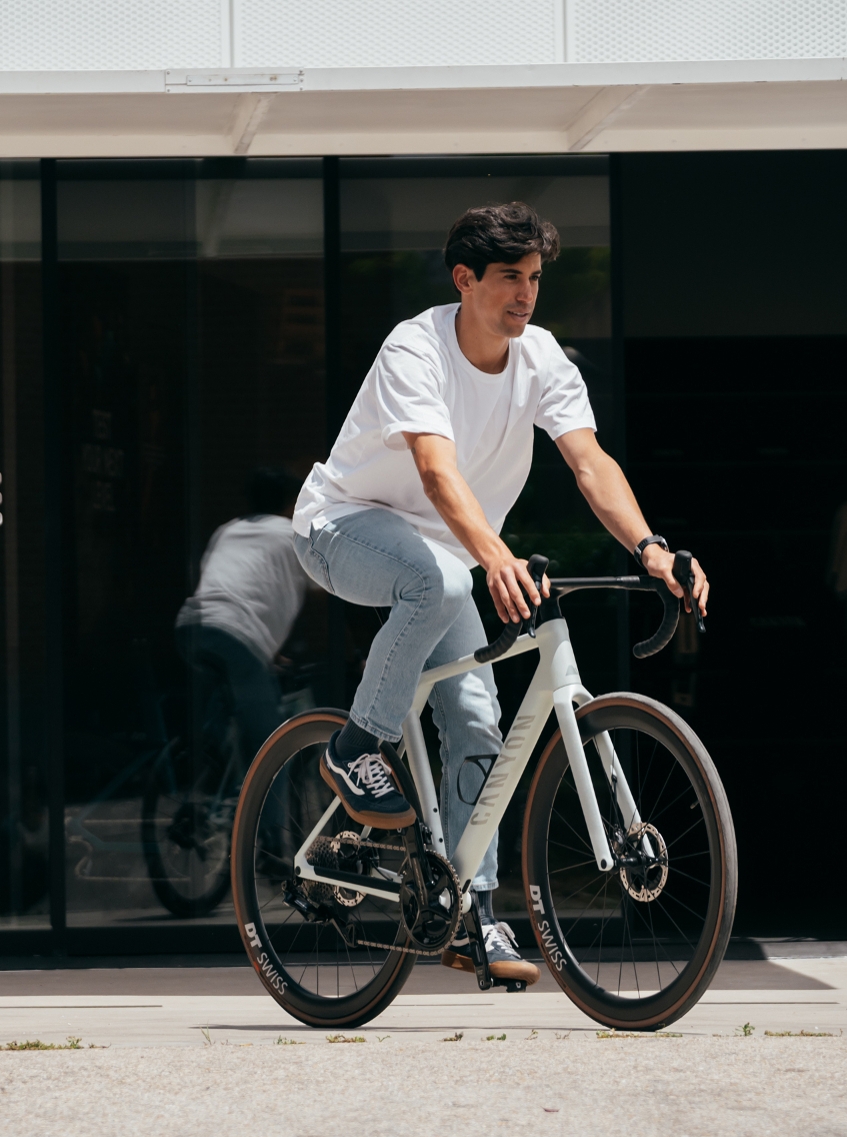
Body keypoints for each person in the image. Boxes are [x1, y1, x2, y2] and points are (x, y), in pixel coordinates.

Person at [291, 202, 710, 985]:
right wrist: (495, 557)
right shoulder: (415, 346)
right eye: (510, 277)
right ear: (465, 279)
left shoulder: (542, 358)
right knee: (440, 576)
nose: (526, 294)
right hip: (342, 528)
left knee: (478, 719)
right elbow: (435, 471)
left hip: (444, 555)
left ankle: (472, 916)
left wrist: (650, 547)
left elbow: (589, 462)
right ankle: (354, 749)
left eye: (535, 279)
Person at [175, 468, 311, 764]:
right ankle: (260, 805)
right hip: (237, 636)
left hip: (191, 626)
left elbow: (232, 586)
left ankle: (213, 764)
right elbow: (334, 588)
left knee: (231, 697)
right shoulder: (293, 536)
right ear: (291, 503)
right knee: (272, 751)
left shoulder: (228, 529)